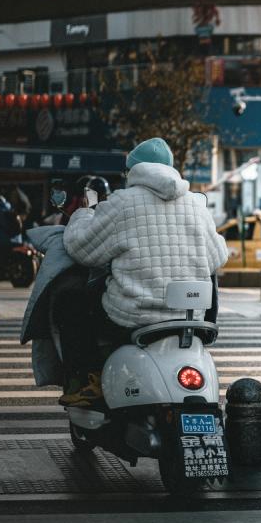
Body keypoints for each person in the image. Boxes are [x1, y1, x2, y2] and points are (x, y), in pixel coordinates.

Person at [57, 138, 229, 406]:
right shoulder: (196, 204)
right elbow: (218, 256)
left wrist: (82, 214)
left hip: (131, 317)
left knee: (70, 301)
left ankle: (87, 378)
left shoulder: (122, 202)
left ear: (133, 171)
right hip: (189, 317)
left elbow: (82, 249)